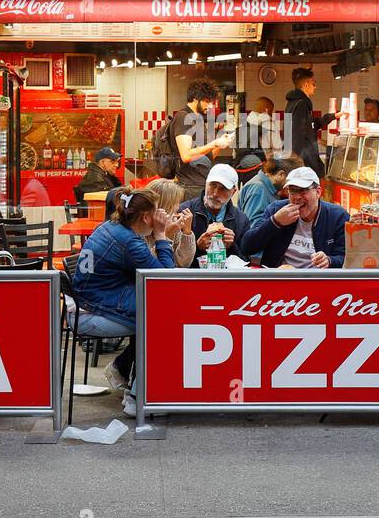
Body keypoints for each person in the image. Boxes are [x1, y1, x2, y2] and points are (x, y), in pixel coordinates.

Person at [73, 187, 183, 415]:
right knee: (161, 319)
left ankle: (122, 371)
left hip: (88, 298)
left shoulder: (113, 227)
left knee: (156, 310)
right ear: (145, 217)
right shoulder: (128, 241)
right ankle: (137, 396)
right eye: (156, 212)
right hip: (92, 309)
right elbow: (163, 280)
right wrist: (162, 235)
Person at [242, 166, 347, 269]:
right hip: (281, 279)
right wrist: (275, 222)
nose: (297, 197)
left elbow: (347, 257)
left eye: (303, 191)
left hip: (318, 281)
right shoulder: (276, 209)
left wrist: (329, 260)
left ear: (318, 192)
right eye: (292, 191)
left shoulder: (337, 216)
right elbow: (247, 247)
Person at [171, 77, 233, 198]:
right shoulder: (183, 117)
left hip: (200, 185)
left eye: (212, 102)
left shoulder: (198, 120)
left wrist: (222, 140)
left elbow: (209, 156)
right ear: (195, 98)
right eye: (207, 101)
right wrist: (214, 143)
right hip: (187, 187)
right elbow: (186, 156)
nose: (210, 106)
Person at [182, 163, 250, 267]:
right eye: (212, 185)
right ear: (206, 184)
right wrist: (196, 247)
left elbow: (245, 262)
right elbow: (174, 262)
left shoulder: (241, 219)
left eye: (223, 188)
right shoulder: (185, 212)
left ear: (233, 192)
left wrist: (231, 246)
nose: (215, 193)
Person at [283, 67, 345, 176]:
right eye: (313, 83)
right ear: (306, 85)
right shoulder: (300, 104)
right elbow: (296, 136)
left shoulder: (292, 103)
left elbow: (312, 125)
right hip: (303, 163)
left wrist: (334, 116)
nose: (315, 86)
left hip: (301, 160)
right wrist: (298, 165)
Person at [138, 177, 196, 268]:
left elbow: (182, 264)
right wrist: (165, 235)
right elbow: (151, 267)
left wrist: (187, 232)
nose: (177, 207)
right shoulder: (140, 229)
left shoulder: (172, 222)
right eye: (175, 203)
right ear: (163, 206)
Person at [238, 155, 298, 226]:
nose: (289, 186)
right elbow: (254, 226)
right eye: (290, 181)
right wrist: (278, 220)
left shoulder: (267, 187)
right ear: (281, 174)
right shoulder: (259, 188)